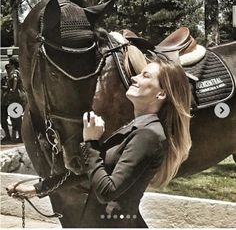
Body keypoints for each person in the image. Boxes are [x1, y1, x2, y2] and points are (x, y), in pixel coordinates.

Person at [7, 58, 192, 228]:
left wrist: (91, 142)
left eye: (145, 75)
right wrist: (37, 189)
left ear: (161, 94)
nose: (135, 78)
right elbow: (92, 172)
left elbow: (107, 191)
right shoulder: (136, 128)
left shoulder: (147, 136)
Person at [5, 57, 26, 143]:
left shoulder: (15, 72)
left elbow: (15, 79)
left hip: (16, 96)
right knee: (17, 116)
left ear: (12, 64)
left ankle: (21, 136)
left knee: (16, 116)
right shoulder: (19, 71)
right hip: (20, 95)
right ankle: (20, 136)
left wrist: (12, 89)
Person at [1, 64, 11, 143]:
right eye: (7, 69)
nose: (8, 71)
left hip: (12, 101)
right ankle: (7, 136)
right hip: (4, 102)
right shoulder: (4, 79)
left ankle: (19, 137)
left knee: (16, 120)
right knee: (3, 120)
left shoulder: (14, 77)